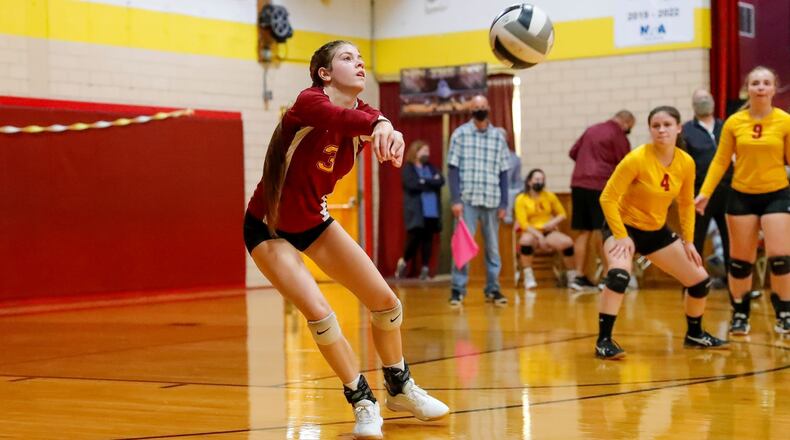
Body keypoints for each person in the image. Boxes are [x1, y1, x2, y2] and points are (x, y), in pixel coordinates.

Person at [244, 40, 448, 438]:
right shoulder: (309, 102)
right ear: (324, 72)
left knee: (387, 304)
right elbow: (347, 120)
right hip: (267, 228)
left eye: (360, 58)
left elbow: (373, 121)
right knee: (321, 314)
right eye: (347, 58)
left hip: (314, 223)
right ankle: (362, 401)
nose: (359, 63)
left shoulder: (366, 115)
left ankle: (399, 386)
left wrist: (391, 132)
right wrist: (380, 126)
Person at [595, 105, 728, 360]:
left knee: (700, 281)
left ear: (679, 128)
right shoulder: (637, 158)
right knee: (619, 276)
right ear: (650, 130)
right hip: (623, 227)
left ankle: (695, 334)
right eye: (655, 126)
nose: (661, 130)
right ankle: (604, 341)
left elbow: (687, 203)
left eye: (667, 124)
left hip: (655, 231)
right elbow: (608, 198)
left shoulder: (685, 162)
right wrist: (621, 235)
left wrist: (689, 241)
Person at [695, 66, 790, 335]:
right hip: (742, 196)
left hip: (776, 194)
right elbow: (721, 161)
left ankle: (784, 311)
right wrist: (705, 193)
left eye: (765, 83)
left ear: (774, 88)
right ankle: (740, 312)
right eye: (755, 83)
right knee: (740, 262)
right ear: (747, 88)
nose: (760, 87)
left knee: (781, 258)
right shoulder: (735, 123)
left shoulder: (784, 121)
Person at [447, 95, 512, 307]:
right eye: (476, 107)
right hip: (467, 200)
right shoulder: (460, 134)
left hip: (492, 200)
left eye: (483, 106)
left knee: (493, 248)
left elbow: (504, 173)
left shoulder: (498, 137)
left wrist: (504, 203)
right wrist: (455, 199)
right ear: (471, 110)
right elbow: (453, 169)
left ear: (489, 108)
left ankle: (493, 289)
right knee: (463, 246)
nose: (480, 109)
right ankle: (458, 290)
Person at [569, 110, 635, 289]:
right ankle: (607, 277)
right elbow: (626, 164)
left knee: (583, 231)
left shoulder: (591, 130)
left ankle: (579, 277)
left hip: (578, 183)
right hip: (600, 185)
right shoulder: (618, 135)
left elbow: (573, 152)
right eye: (630, 127)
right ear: (626, 122)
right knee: (602, 230)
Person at [681, 89, 731, 287]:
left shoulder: (725, 126)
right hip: (699, 194)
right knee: (696, 240)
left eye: (706, 99)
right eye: (699, 100)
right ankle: (692, 283)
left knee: (731, 242)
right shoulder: (686, 130)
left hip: (728, 191)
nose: (704, 102)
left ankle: (734, 284)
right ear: (693, 105)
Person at [514, 169, 581, 290]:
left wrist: (552, 222)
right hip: (531, 232)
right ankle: (528, 276)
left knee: (568, 242)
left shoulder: (549, 196)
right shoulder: (521, 199)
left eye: (542, 180)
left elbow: (562, 214)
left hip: (548, 230)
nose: (540, 182)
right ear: (529, 182)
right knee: (525, 242)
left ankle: (572, 276)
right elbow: (523, 223)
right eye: (537, 179)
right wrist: (539, 237)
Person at [395, 140, 444, 280]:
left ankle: (425, 270)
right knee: (413, 239)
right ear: (416, 152)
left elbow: (440, 181)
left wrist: (423, 181)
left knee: (428, 240)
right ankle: (403, 262)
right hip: (416, 211)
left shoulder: (431, 167)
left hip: (431, 211)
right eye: (424, 151)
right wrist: (430, 182)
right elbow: (411, 185)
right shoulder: (408, 168)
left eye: (428, 152)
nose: (427, 154)